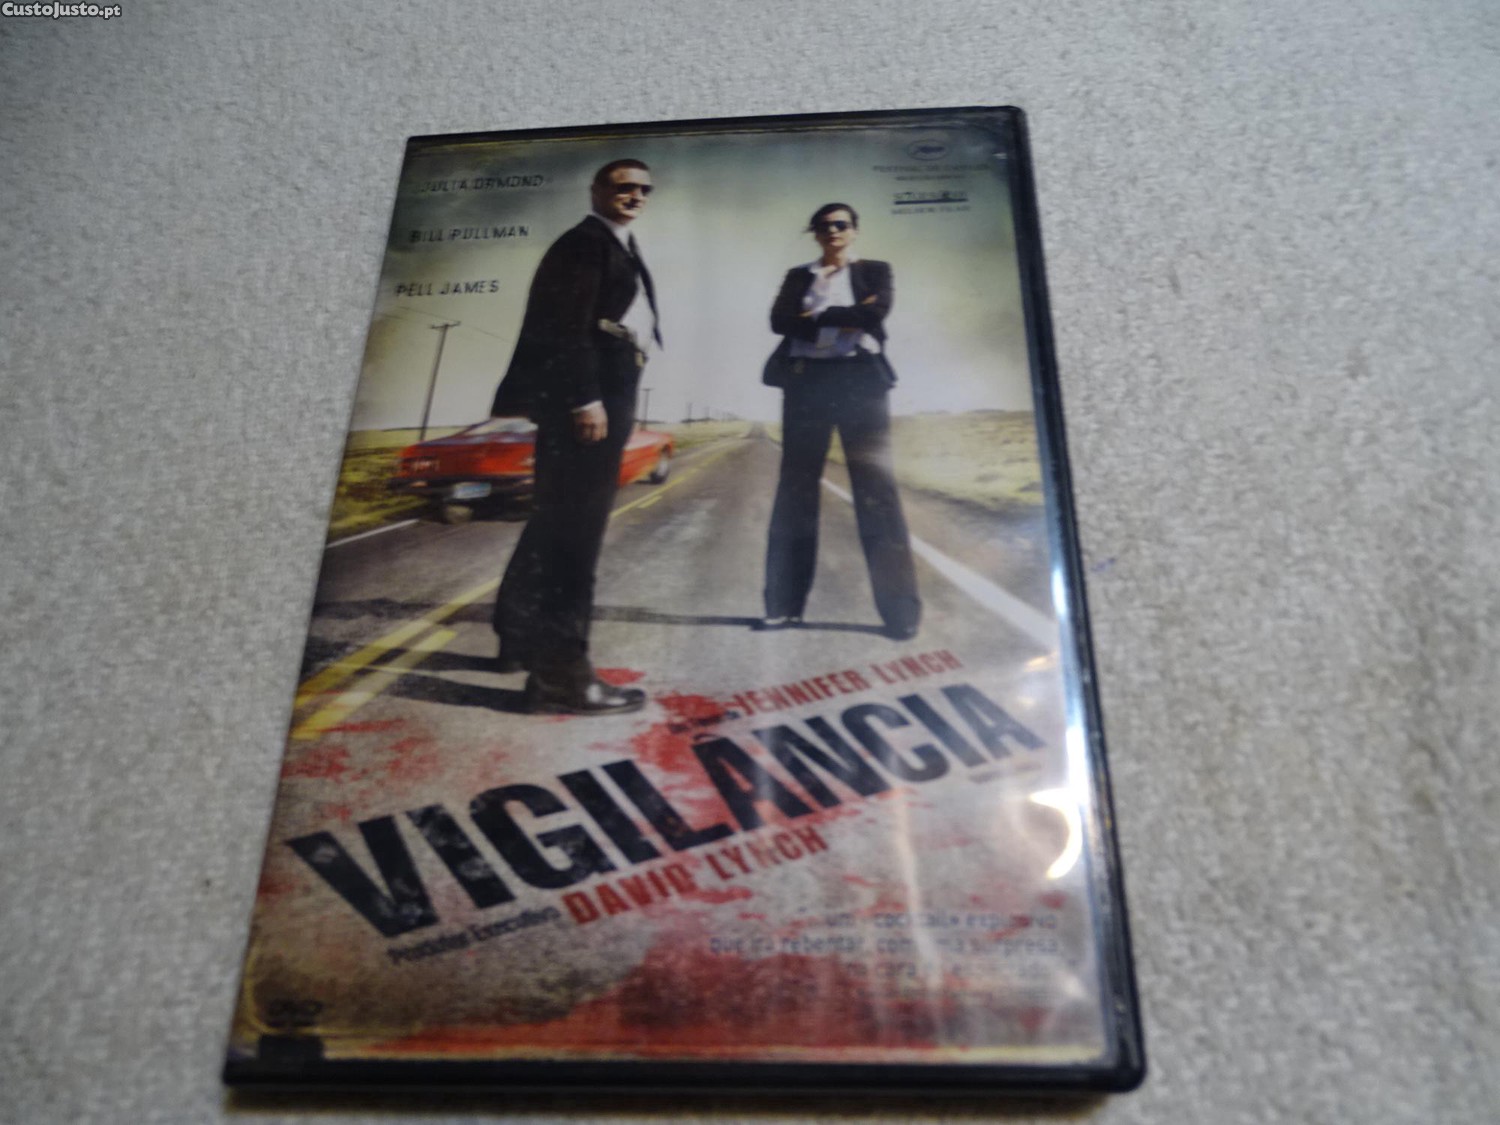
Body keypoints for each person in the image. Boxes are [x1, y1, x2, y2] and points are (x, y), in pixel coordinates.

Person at [488, 159, 660, 715]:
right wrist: (585, 398)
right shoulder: (585, 243)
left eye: (644, 189)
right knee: (574, 539)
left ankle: (517, 638)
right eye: (623, 187)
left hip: (606, 394)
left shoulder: (617, 244)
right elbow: (561, 326)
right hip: (589, 402)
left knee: (555, 523)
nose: (635, 195)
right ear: (596, 190)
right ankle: (561, 677)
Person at [761, 203, 920, 639]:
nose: (833, 230)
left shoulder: (875, 271)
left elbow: (875, 314)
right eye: (824, 226)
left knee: (877, 492)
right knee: (795, 492)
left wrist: (813, 319)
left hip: (861, 383)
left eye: (841, 224)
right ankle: (783, 607)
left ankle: (901, 614)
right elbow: (778, 321)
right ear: (814, 233)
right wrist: (844, 317)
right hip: (805, 383)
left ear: (854, 230)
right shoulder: (799, 276)